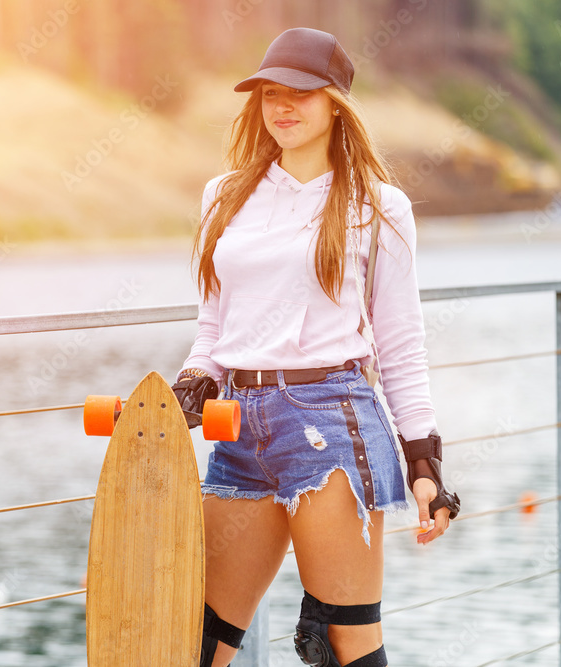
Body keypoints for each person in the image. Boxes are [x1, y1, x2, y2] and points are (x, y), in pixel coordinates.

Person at [171, 27, 460, 667]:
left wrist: (424, 462)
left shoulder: (377, 206)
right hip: (237, 428)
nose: (283, 106)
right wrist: (192, 383)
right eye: (270, 93)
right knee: (197, 643)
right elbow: (214, 327)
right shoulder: (224, 196)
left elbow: (400, 342)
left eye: (300, 93)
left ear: (336, 103)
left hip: (331, 423)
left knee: (340, 643)